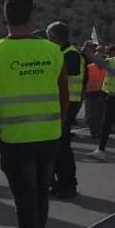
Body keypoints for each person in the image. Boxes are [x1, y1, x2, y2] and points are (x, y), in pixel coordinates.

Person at [0, 0, 65, 228]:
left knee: (25, 198)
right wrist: (58, 124)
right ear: (32, 17)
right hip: (49, 135)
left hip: (15, 138)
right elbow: (63, 94)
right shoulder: (53, 51)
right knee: (40, 193)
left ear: (5, 16)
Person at [48, 22, 84, 199]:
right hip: (58, 103)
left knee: (62, 147)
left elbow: (70, 70)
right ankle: (55, 182)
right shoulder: (59, 53)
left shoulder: (71, 54)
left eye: (50, 37)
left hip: (68, 103)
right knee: (55, 145)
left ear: (55, 37)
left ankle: (68, 183)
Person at [82, 43, 107, 139]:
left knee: (100, 113)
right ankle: (94, 130)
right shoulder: (89, 67)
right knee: (92, 113)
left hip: (102, 92)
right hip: (91, 92)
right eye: (98, 51)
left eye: (102, 52)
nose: (100, 54)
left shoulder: (106, 66)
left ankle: (98, 130)